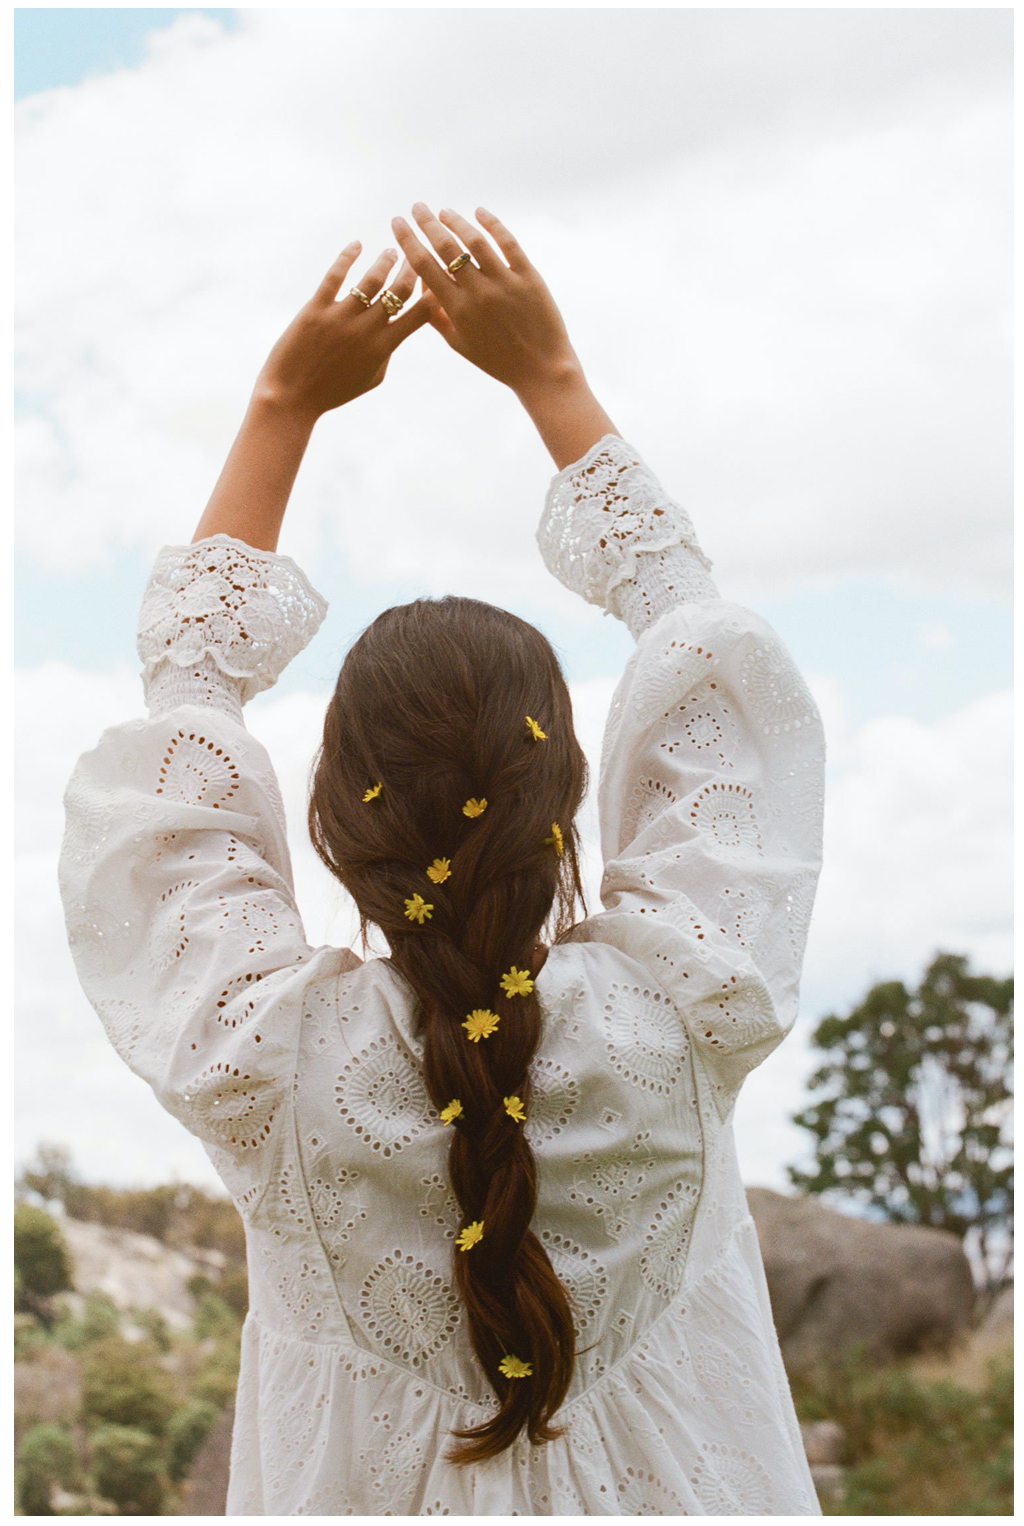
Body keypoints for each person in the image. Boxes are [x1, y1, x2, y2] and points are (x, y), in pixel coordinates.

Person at [59, 202, 827, 1515]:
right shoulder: (692, 1010)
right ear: (570, 798)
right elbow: (716, 676)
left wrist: (282, 405)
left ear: (323, 823)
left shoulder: (264, 1062)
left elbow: (181, 725)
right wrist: (554, 383)